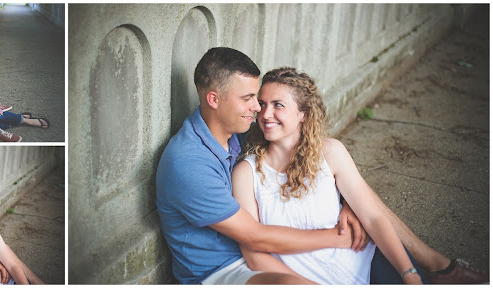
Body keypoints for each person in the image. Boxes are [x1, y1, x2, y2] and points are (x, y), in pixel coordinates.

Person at [156, 47, 488, 285]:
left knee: (365, 204)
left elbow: (315, 164)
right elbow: (255, 239)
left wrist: (346, 204)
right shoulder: (192, 163)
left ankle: (433, 265)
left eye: (264, 100)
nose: (259, 109)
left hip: (303, 253)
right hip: (228, 267)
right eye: (251, 100)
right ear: (214, 100)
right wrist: (334, 236)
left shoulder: (234, 134)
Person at [233, 67, 423, 284]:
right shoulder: (247, 174)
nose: (266, 114)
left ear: (303, 113)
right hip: (307, 280)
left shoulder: (329, 152)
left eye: (278, 105)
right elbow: (254, 256)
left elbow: (373, 217)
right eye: (263, 104)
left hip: (362, 262)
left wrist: (409, 273)